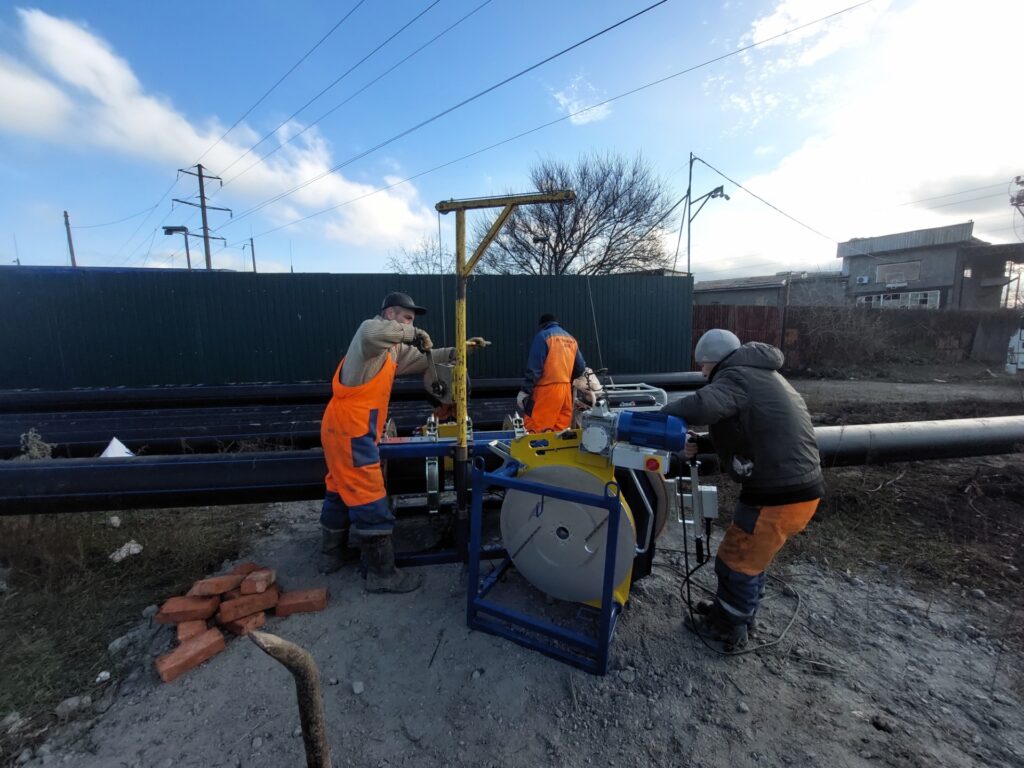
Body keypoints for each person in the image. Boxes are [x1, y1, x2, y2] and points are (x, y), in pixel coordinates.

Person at [661, 329, 824, 650]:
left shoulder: (736, 377)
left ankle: (730, 627)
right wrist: (704, 443)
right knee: (747, 558)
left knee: (737, 561)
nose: (702, 374)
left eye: (703, 367)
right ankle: (735, 612)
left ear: (714, 361)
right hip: (790, 487)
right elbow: (746, 428)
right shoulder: (760, 374)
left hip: (779, 493)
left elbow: (704, 405)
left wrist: (656, 416)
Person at [319, 291, 487, 592]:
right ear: (390, 314)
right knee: (368, 494)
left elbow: (427, 360)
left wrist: (458, 351)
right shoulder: (369, 335)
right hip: (352, 430)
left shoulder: (391, 352)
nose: (410, 325)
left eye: (412, 321)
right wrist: (415, 333)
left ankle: (331, 555)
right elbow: (372, 332)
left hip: (345, 427)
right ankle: (382, 576)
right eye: (407, 318)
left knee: (338, 487)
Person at [516, 313, 587, 432]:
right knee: (560, 430)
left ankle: (537, 450)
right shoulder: (571, 339)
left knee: (537, 428)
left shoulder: (543, 336)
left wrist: (525, 391)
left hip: (546, 390)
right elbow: (580, 367)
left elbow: (535, 368)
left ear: (542, 325)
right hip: (565, 392)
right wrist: (566, 379)